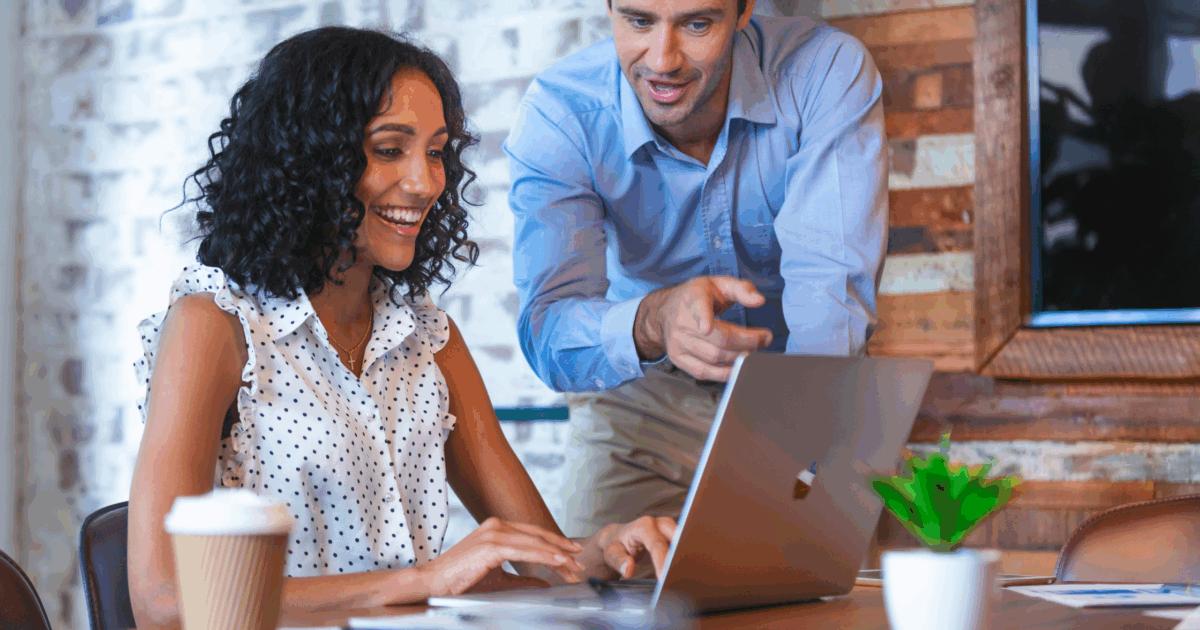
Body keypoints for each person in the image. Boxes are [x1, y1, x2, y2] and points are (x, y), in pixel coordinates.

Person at [127, 27, 674, 629]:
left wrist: (606, 553)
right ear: (311, 161)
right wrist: (425, 582)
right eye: (390, 149)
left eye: (436, 152)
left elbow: (550, 563)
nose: (425, 182)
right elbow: (165, 601)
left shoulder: (428, 339)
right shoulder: (216, 325)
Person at [506, 0, 887, 537]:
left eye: (697, 24)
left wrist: (804, 456)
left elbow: (831, 296)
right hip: (640, 403)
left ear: (745, 9)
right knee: (600, 604)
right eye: (638, 21)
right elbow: (549, 332)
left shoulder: (824, 70)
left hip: (796, 387)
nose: (662, 60)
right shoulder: (561, 111)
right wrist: (655, 320)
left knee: (814, 608)